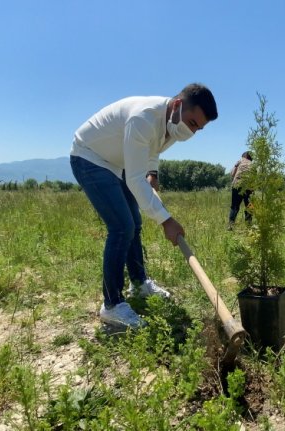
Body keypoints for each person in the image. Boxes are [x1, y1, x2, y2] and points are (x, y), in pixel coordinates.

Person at [70, 83, 218, 329]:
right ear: (179, 105)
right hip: (90, 158)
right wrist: (166, 220)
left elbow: (152, 150)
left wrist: (153, 172)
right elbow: (134, 179)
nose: (192, 132)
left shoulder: (171, 122)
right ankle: (112, 305)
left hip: (117, 164)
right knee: (121, 227)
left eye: (198, 129)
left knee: (134, 223)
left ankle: (139, 284)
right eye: (193, 123)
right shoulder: (144, 118)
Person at [228, 151, 253, 229]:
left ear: (243, 157)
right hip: (248, 187)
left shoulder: (239, 162)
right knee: (249, 206)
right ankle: (248, 226)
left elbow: (232, 174)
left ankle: (231, 226)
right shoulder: (252, 164)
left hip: (236, 185)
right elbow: (255, 178)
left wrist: (236, 165)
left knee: (234, 206)